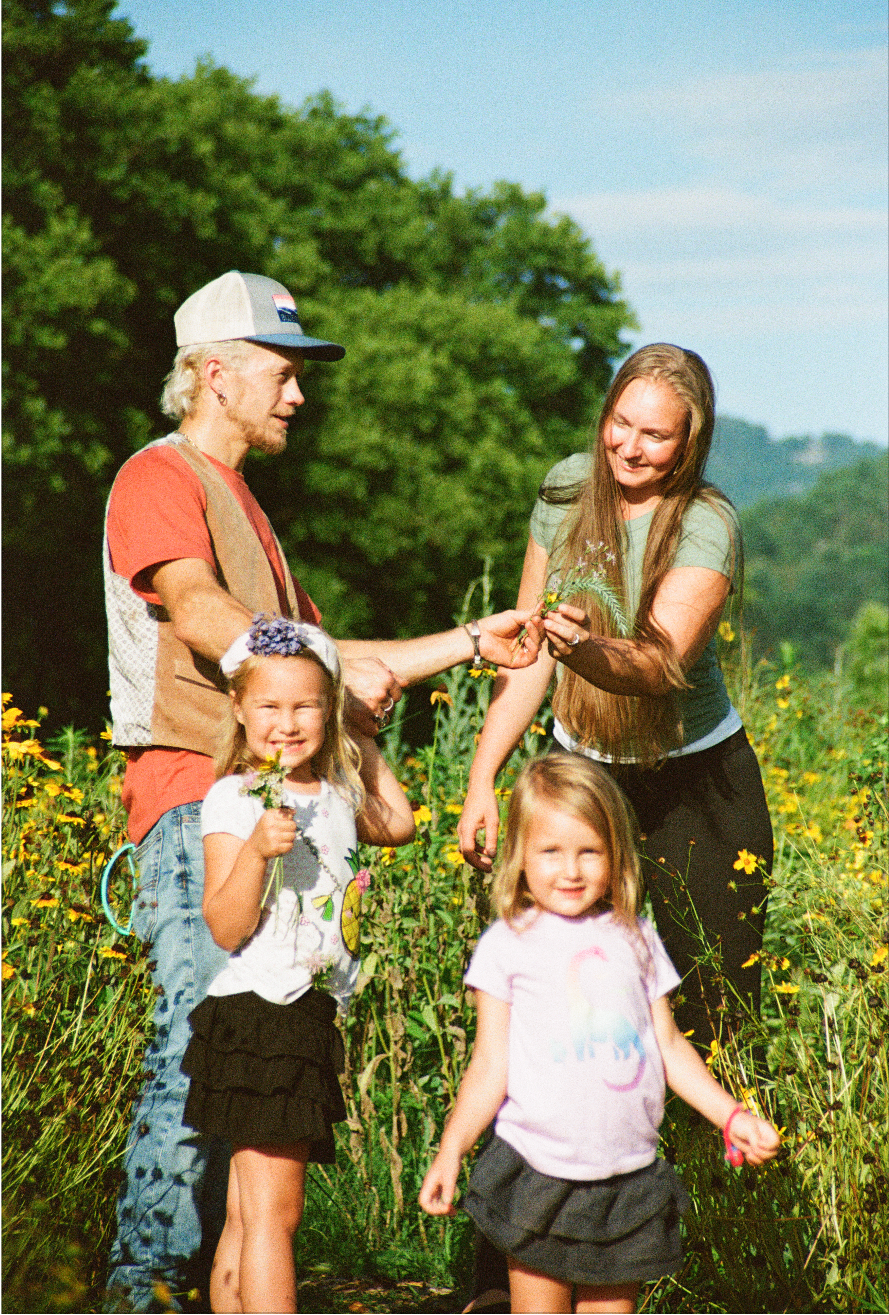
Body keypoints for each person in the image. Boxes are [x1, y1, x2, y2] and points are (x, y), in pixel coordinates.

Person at [103, 269, 543, 1311]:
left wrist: (473, 641)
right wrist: (322, 661)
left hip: (266, 811)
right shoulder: (157, 476)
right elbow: (203, 611)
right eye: (281, 372)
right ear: (214, 373)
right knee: (192, 1056)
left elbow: (330, 660)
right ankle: (144, 1290)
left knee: (240, 1081)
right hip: (191, 799)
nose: (298, 394)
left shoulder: (254, 512)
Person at [458, 344, 773, 1052]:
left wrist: (583, 649)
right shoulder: (566, 489)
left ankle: (712, 1156)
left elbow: (657, 664)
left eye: (655, 435)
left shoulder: (706, 523)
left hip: (697, 780)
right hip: (580, 771)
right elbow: (525, 649)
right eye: (619, 423)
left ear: (688, 443)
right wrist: (482, 779)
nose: (629, 447)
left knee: (718, 1009)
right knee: (562, 982)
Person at [421, 754, 781, 1315]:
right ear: (519, 856)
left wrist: (731, 1116)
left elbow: (669, 1048)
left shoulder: (636, 939)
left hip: (628, 1181)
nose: (571, 871)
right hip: (539, 1174)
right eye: (551, 852)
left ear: (616, 855)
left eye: (589, 851)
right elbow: (490, 1065)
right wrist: (451, 1150)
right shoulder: (508, 945)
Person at [180, 615, 414, 1312]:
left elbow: (397, 823)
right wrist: (255, 851)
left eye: (307, 704)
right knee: (276, 1217)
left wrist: (362, 736)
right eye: (270, 706)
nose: (287, 722)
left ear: (329, 708)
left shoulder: (337, 793)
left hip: (300, 1012)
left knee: (251, 1212)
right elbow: (224, 924)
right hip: (265, 1011)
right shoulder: (236, 797)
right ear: (240, 710)